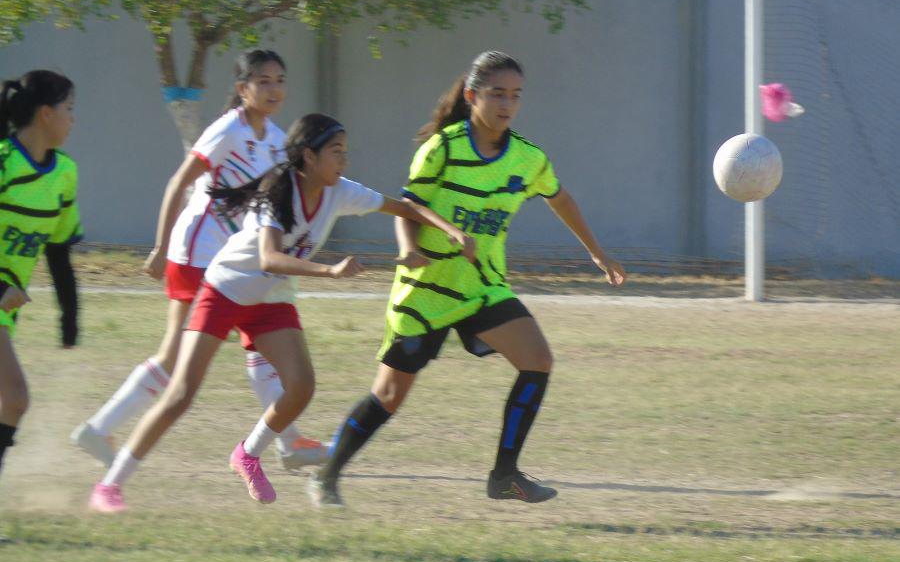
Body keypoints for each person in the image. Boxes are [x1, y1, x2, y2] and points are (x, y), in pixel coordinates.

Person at [88, 113, 473, 513]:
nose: (345, 160)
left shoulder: (339, 191)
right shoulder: (276, 193)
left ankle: (248, 454)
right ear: (309, 156)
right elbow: (270, 259)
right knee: (181, 394)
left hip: (269, 300)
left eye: (346, 152)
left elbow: (404, 207)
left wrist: (450, 230)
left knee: (301, 386)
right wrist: (330, 270)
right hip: (226, 289)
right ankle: (110, 485)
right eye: (336, 152)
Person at [310, 51, 627, 508]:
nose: (507, 104)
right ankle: (328, 477)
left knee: (538, 359)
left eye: (515, 95)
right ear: (472, 95)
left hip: (482, 286)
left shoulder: (528, 158)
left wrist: (597, 253)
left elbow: (561, 199)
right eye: (497, 93)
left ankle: (504, 475)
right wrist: (409, 248)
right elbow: (407, 206)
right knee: (389, 395)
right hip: (427, 291)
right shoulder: (442, 148)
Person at [71, 49, 326, 470]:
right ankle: (99, 429)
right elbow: (179, 182)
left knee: (257, 343)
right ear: (243, 89)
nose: (274, 88)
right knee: (180, 356)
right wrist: (159, 245)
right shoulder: (228, 129)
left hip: (232, 260)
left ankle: (287, 441)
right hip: (198, 254)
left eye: (280, 80)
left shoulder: (279, 141)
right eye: (263, 81)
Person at [0, 70, 82, 476]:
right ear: (46, 114)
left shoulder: (64, 173)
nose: (74, 119)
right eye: (69, 109)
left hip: (5, 307)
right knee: (14, 397)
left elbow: (58, 250)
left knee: (11, 400)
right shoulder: (3, 161)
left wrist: (70, 318)